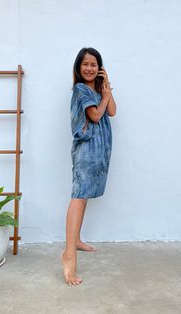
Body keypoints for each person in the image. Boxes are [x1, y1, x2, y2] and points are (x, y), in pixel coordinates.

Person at [61, 47, 117, 286]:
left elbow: (112, 112)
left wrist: (107, 87)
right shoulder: (81, 89)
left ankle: (77, 240)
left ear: (100, 68)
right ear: (78, 67)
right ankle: (68, 254)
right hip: (86, 150)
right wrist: (104, 97)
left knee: (84, 198)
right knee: (79, 196)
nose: (89, 68)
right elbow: (95, 116)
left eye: (94, 64)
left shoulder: (97, 88)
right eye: (85, 64)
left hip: (100, 151)